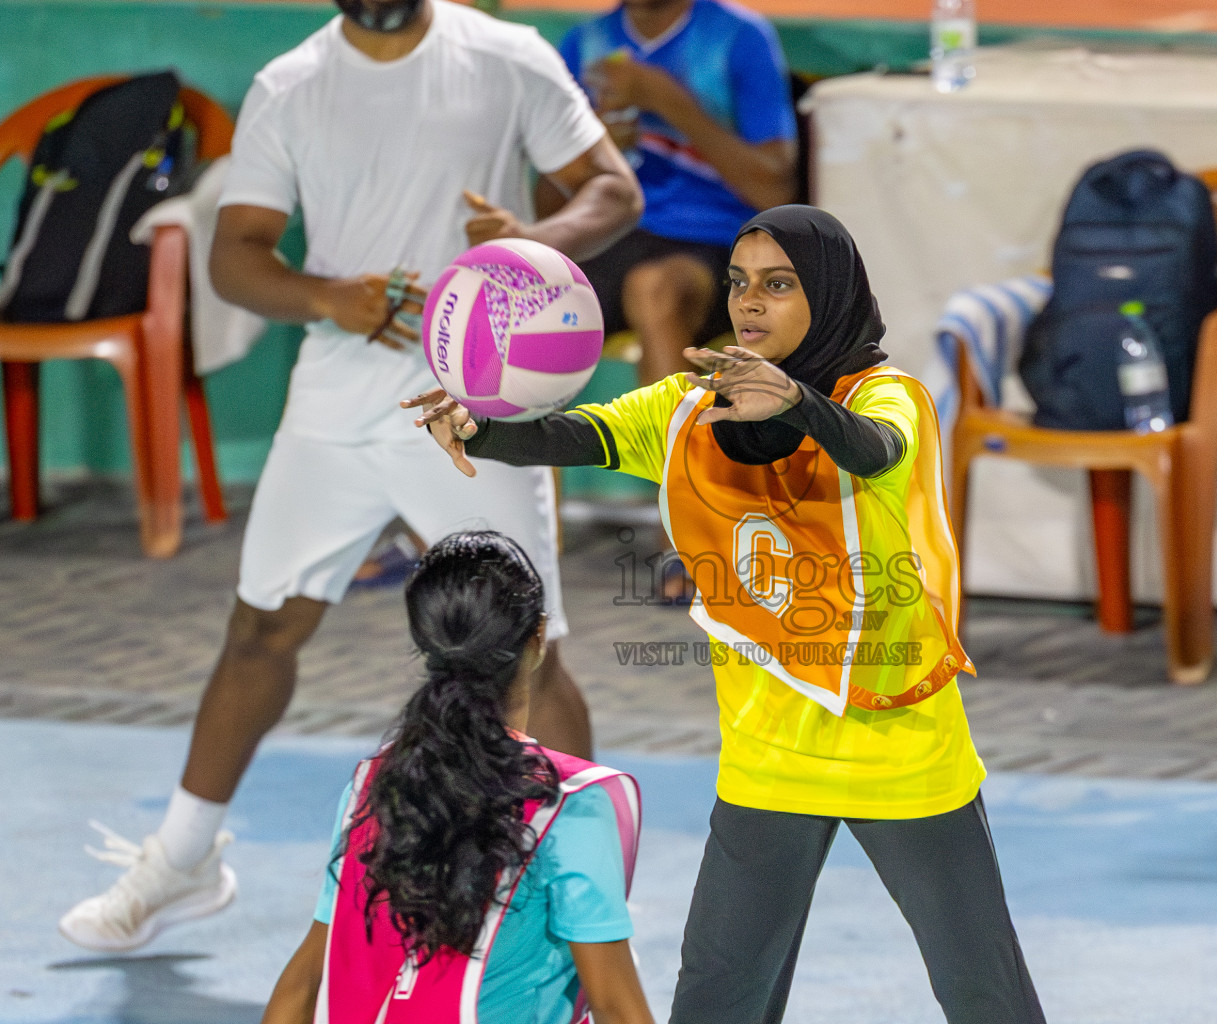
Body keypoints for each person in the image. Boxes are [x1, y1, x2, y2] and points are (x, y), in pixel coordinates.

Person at [58, 0, 643, 953]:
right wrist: (329, 296)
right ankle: (183, 857)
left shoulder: (506, 55)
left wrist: (534, 241)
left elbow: (613, 191)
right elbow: (237, 257)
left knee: (528, 649)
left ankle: (581, 897)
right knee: (261, 626)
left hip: (474, 403)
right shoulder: (289, 85)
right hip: (335, 399)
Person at [408, 205, 1049, 1023]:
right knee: (717, 996)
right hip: (767, 758)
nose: (750, 303)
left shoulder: (893, 399)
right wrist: (481, 427)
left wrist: (796, 406)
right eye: (740, 284)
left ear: (828, 294)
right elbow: (574, 436)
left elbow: (873, 448)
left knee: (984, 993)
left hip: (900, 750)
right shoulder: (686, 407)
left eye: (779, 286)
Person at [259, 531, 652, 1024]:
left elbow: (302, 985)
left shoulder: (374, 785)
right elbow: (618, 1009)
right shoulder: (572, 806)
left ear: (428, 645)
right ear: (538, 638)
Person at [556, 0, 798, 388]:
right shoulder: (584, 43)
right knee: (530, 294)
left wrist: (666, 100)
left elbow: (773, 191)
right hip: (611, 233)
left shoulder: (738, 37)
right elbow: (551, 205)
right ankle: (497, 446)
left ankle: (671, 446)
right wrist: (593, 150)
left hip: (715, 240)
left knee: (654, 289)